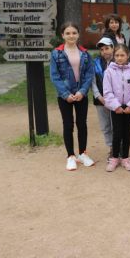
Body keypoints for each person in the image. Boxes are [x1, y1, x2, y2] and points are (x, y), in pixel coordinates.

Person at [49, 22, 95, 171]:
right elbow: (54, 76)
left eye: (74, 33)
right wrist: (65, 94)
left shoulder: (85, 53)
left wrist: (82, 91)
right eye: (68, 33)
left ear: (78, 34)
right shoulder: (56, 54)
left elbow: (89, 74)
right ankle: (70, 156)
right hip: (65, 96)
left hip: (81, 94)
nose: (71, 36)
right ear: (62, 35)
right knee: (68, 124)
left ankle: (82, 153)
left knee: (82, 124)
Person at [103, 44, 130, 172]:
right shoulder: (109, 72)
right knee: (117, 133)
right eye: (117, 55)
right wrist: (115, 106)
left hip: (129, 108)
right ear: (114, 56)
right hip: (116, 108)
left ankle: (125, 157)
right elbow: (107, 91)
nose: (119, 58)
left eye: (122, 55)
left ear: (128, 55)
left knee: (127, 133)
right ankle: (114, 158)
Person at [91, 36, 114, 156]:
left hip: (116, 101)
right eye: (102, 49)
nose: (104, 51)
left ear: (112, 48)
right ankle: (111, 147)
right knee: (105, 125)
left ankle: (119, 146)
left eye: (107, 48)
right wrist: (98, 96)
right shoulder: (95, 63)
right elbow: (93, 81)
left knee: (116, 125)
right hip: (100, 100)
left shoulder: (119, 61)